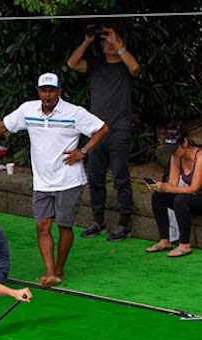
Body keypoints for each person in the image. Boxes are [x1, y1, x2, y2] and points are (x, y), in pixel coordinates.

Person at [0, 72, 109, 288]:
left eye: (51, 90)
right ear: (38, 91)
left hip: (69, 180)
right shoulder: (27, 110)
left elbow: (102, 129)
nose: (47, 94)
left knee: (64, 225)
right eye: (44, 90)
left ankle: (59, 268)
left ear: (59, 91)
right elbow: (2, 126)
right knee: (42, 225)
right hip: (41, 181)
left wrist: (83, 151)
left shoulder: (74, 112)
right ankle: (50, 272)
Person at [67, 26, 140, 241]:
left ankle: (123, 224)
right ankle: (97, 220)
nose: (108, 43)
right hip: (96, 131)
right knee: (96, 178)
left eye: (113, 40)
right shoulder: (96, 66)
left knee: (120, 178)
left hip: (119, 129)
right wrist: (88, 41)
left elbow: (135, 68)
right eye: (105, 41)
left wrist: (118, 45)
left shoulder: (125, 65)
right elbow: (72, 63)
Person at [145, 122, 202, 257]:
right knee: (158, 197)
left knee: (181, 200)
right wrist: (160, 187)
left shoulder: (201, 156)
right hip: (193, 197)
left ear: (184, 143)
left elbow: (194, 188)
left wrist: (167, 188)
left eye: (175, 148)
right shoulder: (176, 156)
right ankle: (165, 240)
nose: (173, 152)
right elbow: (172, 184)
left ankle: (184, 245)